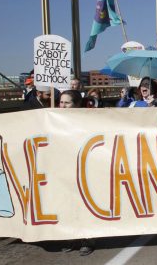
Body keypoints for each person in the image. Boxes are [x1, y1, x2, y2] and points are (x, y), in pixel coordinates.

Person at [56, 89, 95, 255]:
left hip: (83, 167)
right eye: (61, 102)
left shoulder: (86, 120)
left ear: (77, 104)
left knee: (83, 204)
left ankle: (87, 239)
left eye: (67, 103)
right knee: (66, 204)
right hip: (63, 167)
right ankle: (70, 237)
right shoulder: (53, 120)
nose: (62, 105)